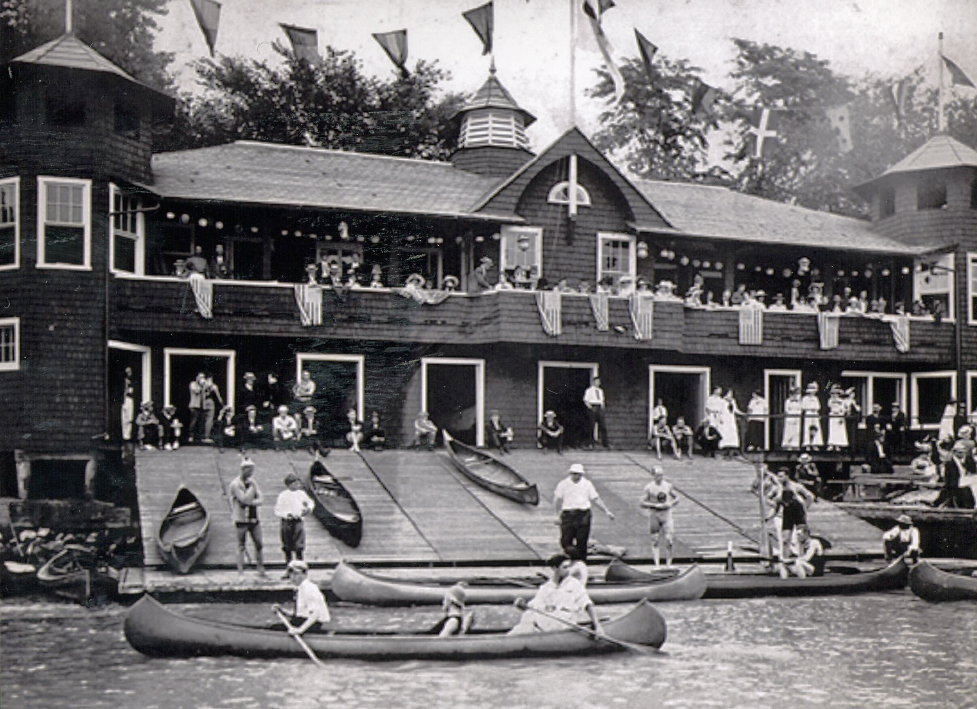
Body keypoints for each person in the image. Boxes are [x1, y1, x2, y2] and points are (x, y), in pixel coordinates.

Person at [507, 553, 604, 636]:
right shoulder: (546, 587)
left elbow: (587, 604)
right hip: (548, 622)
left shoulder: (575, 584)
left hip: (565, 623)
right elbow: (534, 606)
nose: (568, 571)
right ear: (555, 568)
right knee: (528, 615)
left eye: (569, 567)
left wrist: (598, 626)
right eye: (564, 567)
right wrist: (522, 605)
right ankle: (509, 639)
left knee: (532, 620)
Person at [553, 463, 615, 560]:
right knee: (566, 540)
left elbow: (596, 498)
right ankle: (568, 560)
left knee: (582, 540)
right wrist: (557, 515)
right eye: (574, 474)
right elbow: (557, 500)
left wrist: (606, 511)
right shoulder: (563, 484)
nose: (576, 476)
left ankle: (581, 562)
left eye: (578, 474)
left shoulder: (587, 484)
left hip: (583, 514)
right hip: (568, 514)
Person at [272, 560, 330, 636]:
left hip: (313, 625)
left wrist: (300, 630)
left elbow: (315, 614)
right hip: (302, 621)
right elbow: (301, 613)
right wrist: (282, 611)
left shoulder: (309, 588)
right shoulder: (301, 588)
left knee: (275, 629)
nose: (293, 577)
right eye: (291, 574)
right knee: (274, 627)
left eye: (296, 574)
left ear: (305, 574)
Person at [229, 457, 266, 576]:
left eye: (252, 470)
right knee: (241, 545)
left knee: (259, 543)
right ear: (243, 470)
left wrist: (251, 501)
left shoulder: (253, 482)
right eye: (249, 470)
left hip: (253, 518)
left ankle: (260, 569)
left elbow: (261, 499)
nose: (251, 473)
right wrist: (251, 490)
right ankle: (240, 571)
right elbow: (243, 500)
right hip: (241, 519)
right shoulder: (235, 484)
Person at [640, 466, 680, 567]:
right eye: (658, 475)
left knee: (669, 539)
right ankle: (657, 564)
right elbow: (641, 502)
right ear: (653, 476)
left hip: (666, 514)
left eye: (661, 475)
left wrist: (670, 503)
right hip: (655, 514)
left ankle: (669, 564)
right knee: (655, 539)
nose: (660, 478)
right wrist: (654, 505)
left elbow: (677, 498)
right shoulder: (649, 487)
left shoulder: (667, 486)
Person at [274, 472, 315, 568]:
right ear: (289, 484)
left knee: (299, 545)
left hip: (298, 520)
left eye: (297, 483)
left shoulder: (301, 494)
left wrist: (308, 508)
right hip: (287, 521)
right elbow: (277, 510)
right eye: (294, 483)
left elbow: (310, 502)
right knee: (287, 545)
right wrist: (286, 514)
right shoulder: (283, 495)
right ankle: (289, 569)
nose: (297, 485)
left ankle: (300, 567)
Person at [583, 377, 609, 449]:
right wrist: (590, 407)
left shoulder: (600, 391)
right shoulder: (589, 391)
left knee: (603, 426)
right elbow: (586, 400)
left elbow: (602, 400)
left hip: (599, 408)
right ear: (593, 382)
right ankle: (590, 443)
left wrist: (602, 408)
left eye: (599, 382)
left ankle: (605, 443)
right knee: (591, 425)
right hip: (592, 406)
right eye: (597, 382)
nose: (598, 383)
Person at [718, 389, 743, 458]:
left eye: (731, 393)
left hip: (731, 419)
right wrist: (720, 419)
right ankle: (725, 449)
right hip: (725, 419)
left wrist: (743, 413)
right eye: (729, 393)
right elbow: (719, 411)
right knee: (725, 433)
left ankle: (732, 449)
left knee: (732, 432)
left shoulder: (733, 401)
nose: (730, 395)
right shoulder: (722, 401)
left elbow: (735, 410)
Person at [201, 375, 223, 443]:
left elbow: (202, 396)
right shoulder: (214, 386)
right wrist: (222, 403)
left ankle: (203, 435)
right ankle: (207, 436)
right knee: (209, 420)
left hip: (204, 403)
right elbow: (218, 396)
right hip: (210, 403)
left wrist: (203, 404)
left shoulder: (204, 386)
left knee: (204, 419)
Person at [800, 383, 823, 450]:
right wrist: (810, 408)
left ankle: (815, 444)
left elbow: (818, 406)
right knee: (807, 428)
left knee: (816, 428)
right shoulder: (805, 398)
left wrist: (814, 409)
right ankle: (807, 444)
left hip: (815, 413)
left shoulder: (816, 398)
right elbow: (803, 406)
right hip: (808, 413)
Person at [825, 386, 848, 451]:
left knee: (839, 431)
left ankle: (838, 445)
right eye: (833, 393)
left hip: (839, 415)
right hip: (833, 415)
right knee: (832, 430)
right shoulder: (830, 400)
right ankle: (831, 444)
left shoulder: (842, 401)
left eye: (836, 393)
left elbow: (844, 409)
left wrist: (842, 415)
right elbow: (829, 406)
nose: (834, 395)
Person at [187, 372, 205, 443]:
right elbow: (196, 391)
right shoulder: (193, 384)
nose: (201, 379)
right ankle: (190, 436)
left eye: (203, 377)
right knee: (193, 421)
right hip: (194, 405)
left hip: (201, 405)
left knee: (200, 421)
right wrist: (201, 385)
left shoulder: (202, 385)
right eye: (200, 377)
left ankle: (199, 436)